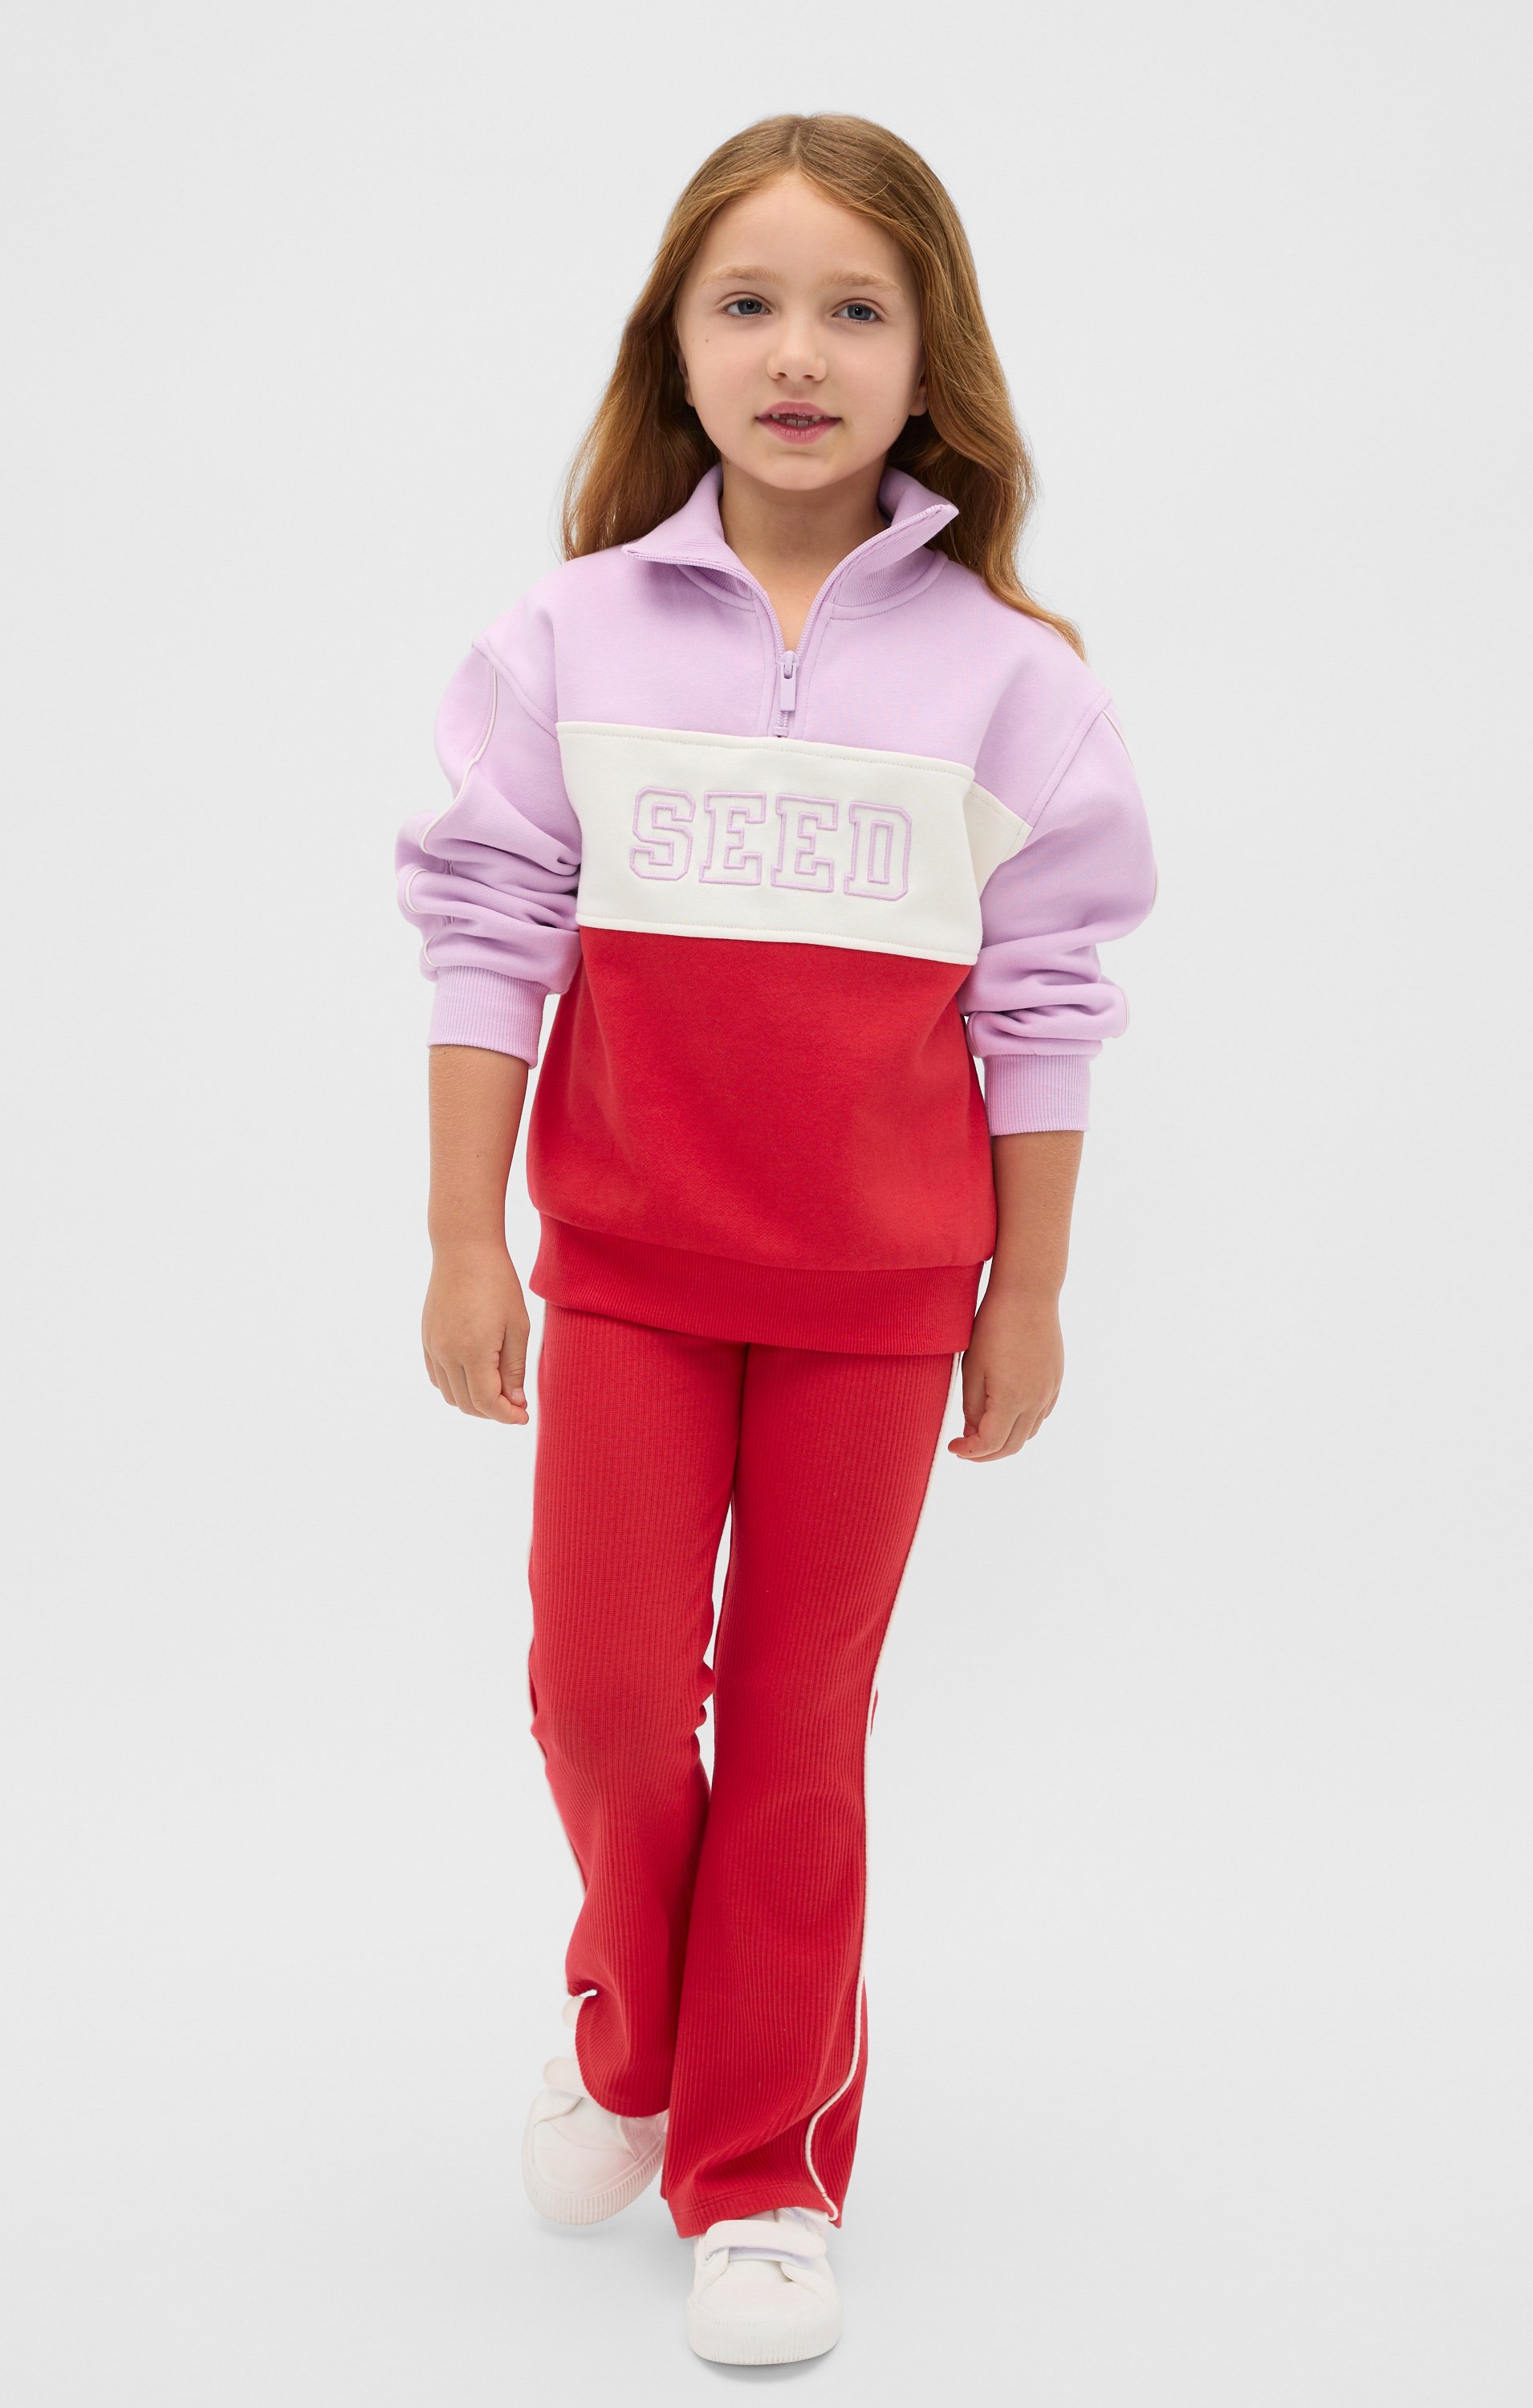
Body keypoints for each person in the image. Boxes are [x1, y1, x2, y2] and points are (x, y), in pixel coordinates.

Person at [394, 111, 1158, 2368]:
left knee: (804, 1724)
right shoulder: (567, 637)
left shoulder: (1019, 679)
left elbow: (1046, 1000)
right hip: (629, 1278)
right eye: (748, 304)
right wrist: (464, 1239)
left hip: (878, 1309)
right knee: (606, 1693)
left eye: (854, 309)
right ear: (677, 344)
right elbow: (485, 926)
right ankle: (631, 2033)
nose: (798, 354)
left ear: (932, 359)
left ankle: (760, 2170)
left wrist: (1032, 1292)